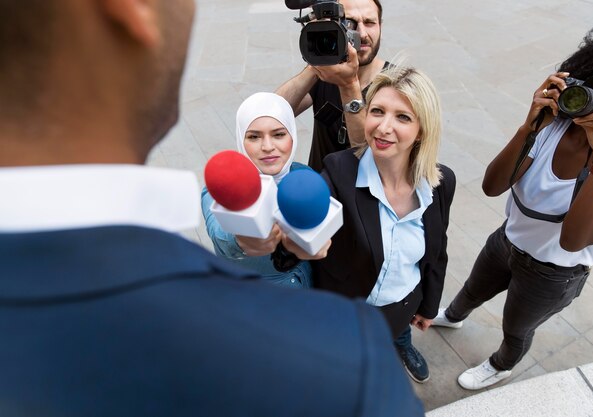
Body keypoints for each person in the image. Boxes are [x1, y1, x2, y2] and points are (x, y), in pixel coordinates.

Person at [0, 2, 426, 416]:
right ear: (133, 9)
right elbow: (227, 230)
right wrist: (248, 239)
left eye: (279, 135)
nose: (267, 145)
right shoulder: (352, 369)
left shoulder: (310, 175)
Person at [432, 25, 593, 391]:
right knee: (472, 288)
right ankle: (454, 316)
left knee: (516, 327)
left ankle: (501, 364)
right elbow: (493, 185)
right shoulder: (556, 125)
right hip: (508, 238)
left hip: (554, 272)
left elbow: (574, 240)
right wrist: (530, 126)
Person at [314, 66, 456, 384]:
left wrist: (430, 305)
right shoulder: (337, 172)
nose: (383, 127)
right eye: (377, 111)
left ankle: (401, 344)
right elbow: (304, 237)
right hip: (348, 311)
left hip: (403, 303)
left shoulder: (440, 182)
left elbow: (437, 248)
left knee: (396, 334)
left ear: (422, 130)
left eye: (403, 117)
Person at [201, 92, 326, 288]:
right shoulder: (221, 188)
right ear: (241, 140)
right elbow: (221, 236)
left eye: (278, 134)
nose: (267, 147)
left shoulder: (304, 175)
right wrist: (244, 237)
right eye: (254, 137)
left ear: (292, 136)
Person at [276, 0, 387, 172]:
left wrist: (349, 85)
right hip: (322, 194)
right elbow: (271, 113)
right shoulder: (323, 75)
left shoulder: (396, 85)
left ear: (380, 25)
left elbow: (370, 158)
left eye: (370, 23)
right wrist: (317, 60)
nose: (362, 33)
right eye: (350, 23)